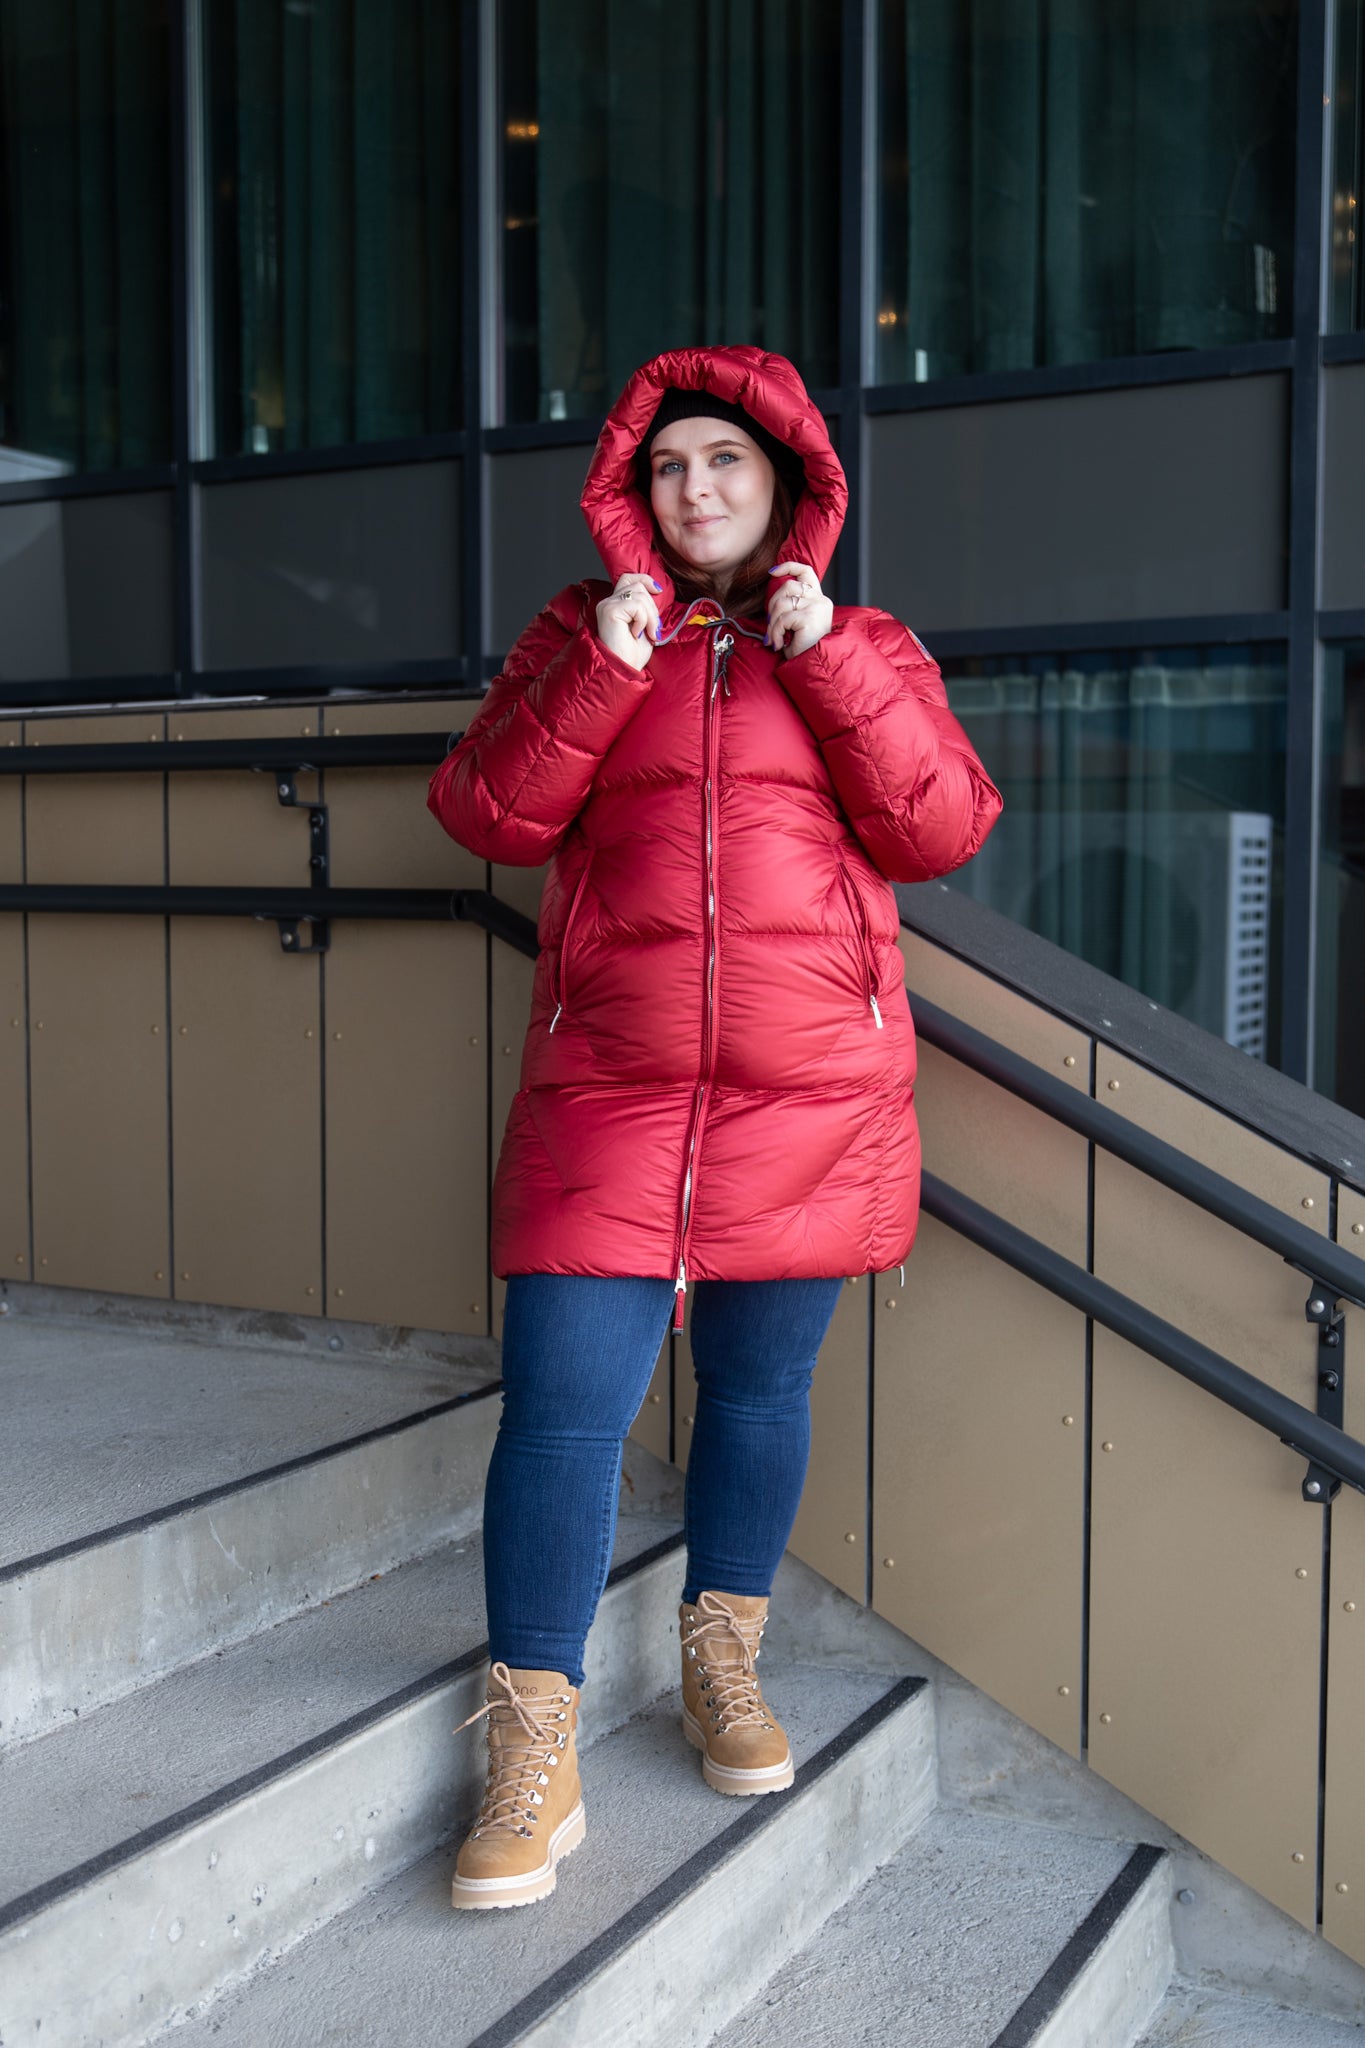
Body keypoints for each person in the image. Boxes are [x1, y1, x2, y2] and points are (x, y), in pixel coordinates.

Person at [426, 343, 1002, 1912]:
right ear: (631, 493)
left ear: (788, 482)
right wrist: (602, 670)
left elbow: (939, 828)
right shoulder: (578, 633)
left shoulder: (867, 642)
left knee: (757, 1396)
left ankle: (719, 1660)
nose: (694, 491)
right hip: (607, 1096)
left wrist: (828, 662)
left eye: (725, 462)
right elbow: (485, 816)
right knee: (557, 1408)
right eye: (667, 466)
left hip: (805, 1097)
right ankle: (531, 1748)